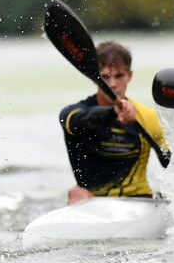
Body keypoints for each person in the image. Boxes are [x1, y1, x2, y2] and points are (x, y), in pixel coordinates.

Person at [59, 41, 166, 204]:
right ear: (94, 78)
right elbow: (81, 120)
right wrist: (114, 111)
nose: (113, 84)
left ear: (129, 76)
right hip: (90, 202)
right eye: (105, 77)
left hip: (138, 201)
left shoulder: (149, 118)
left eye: (119, 76)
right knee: (75, 194)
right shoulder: (73, 114)